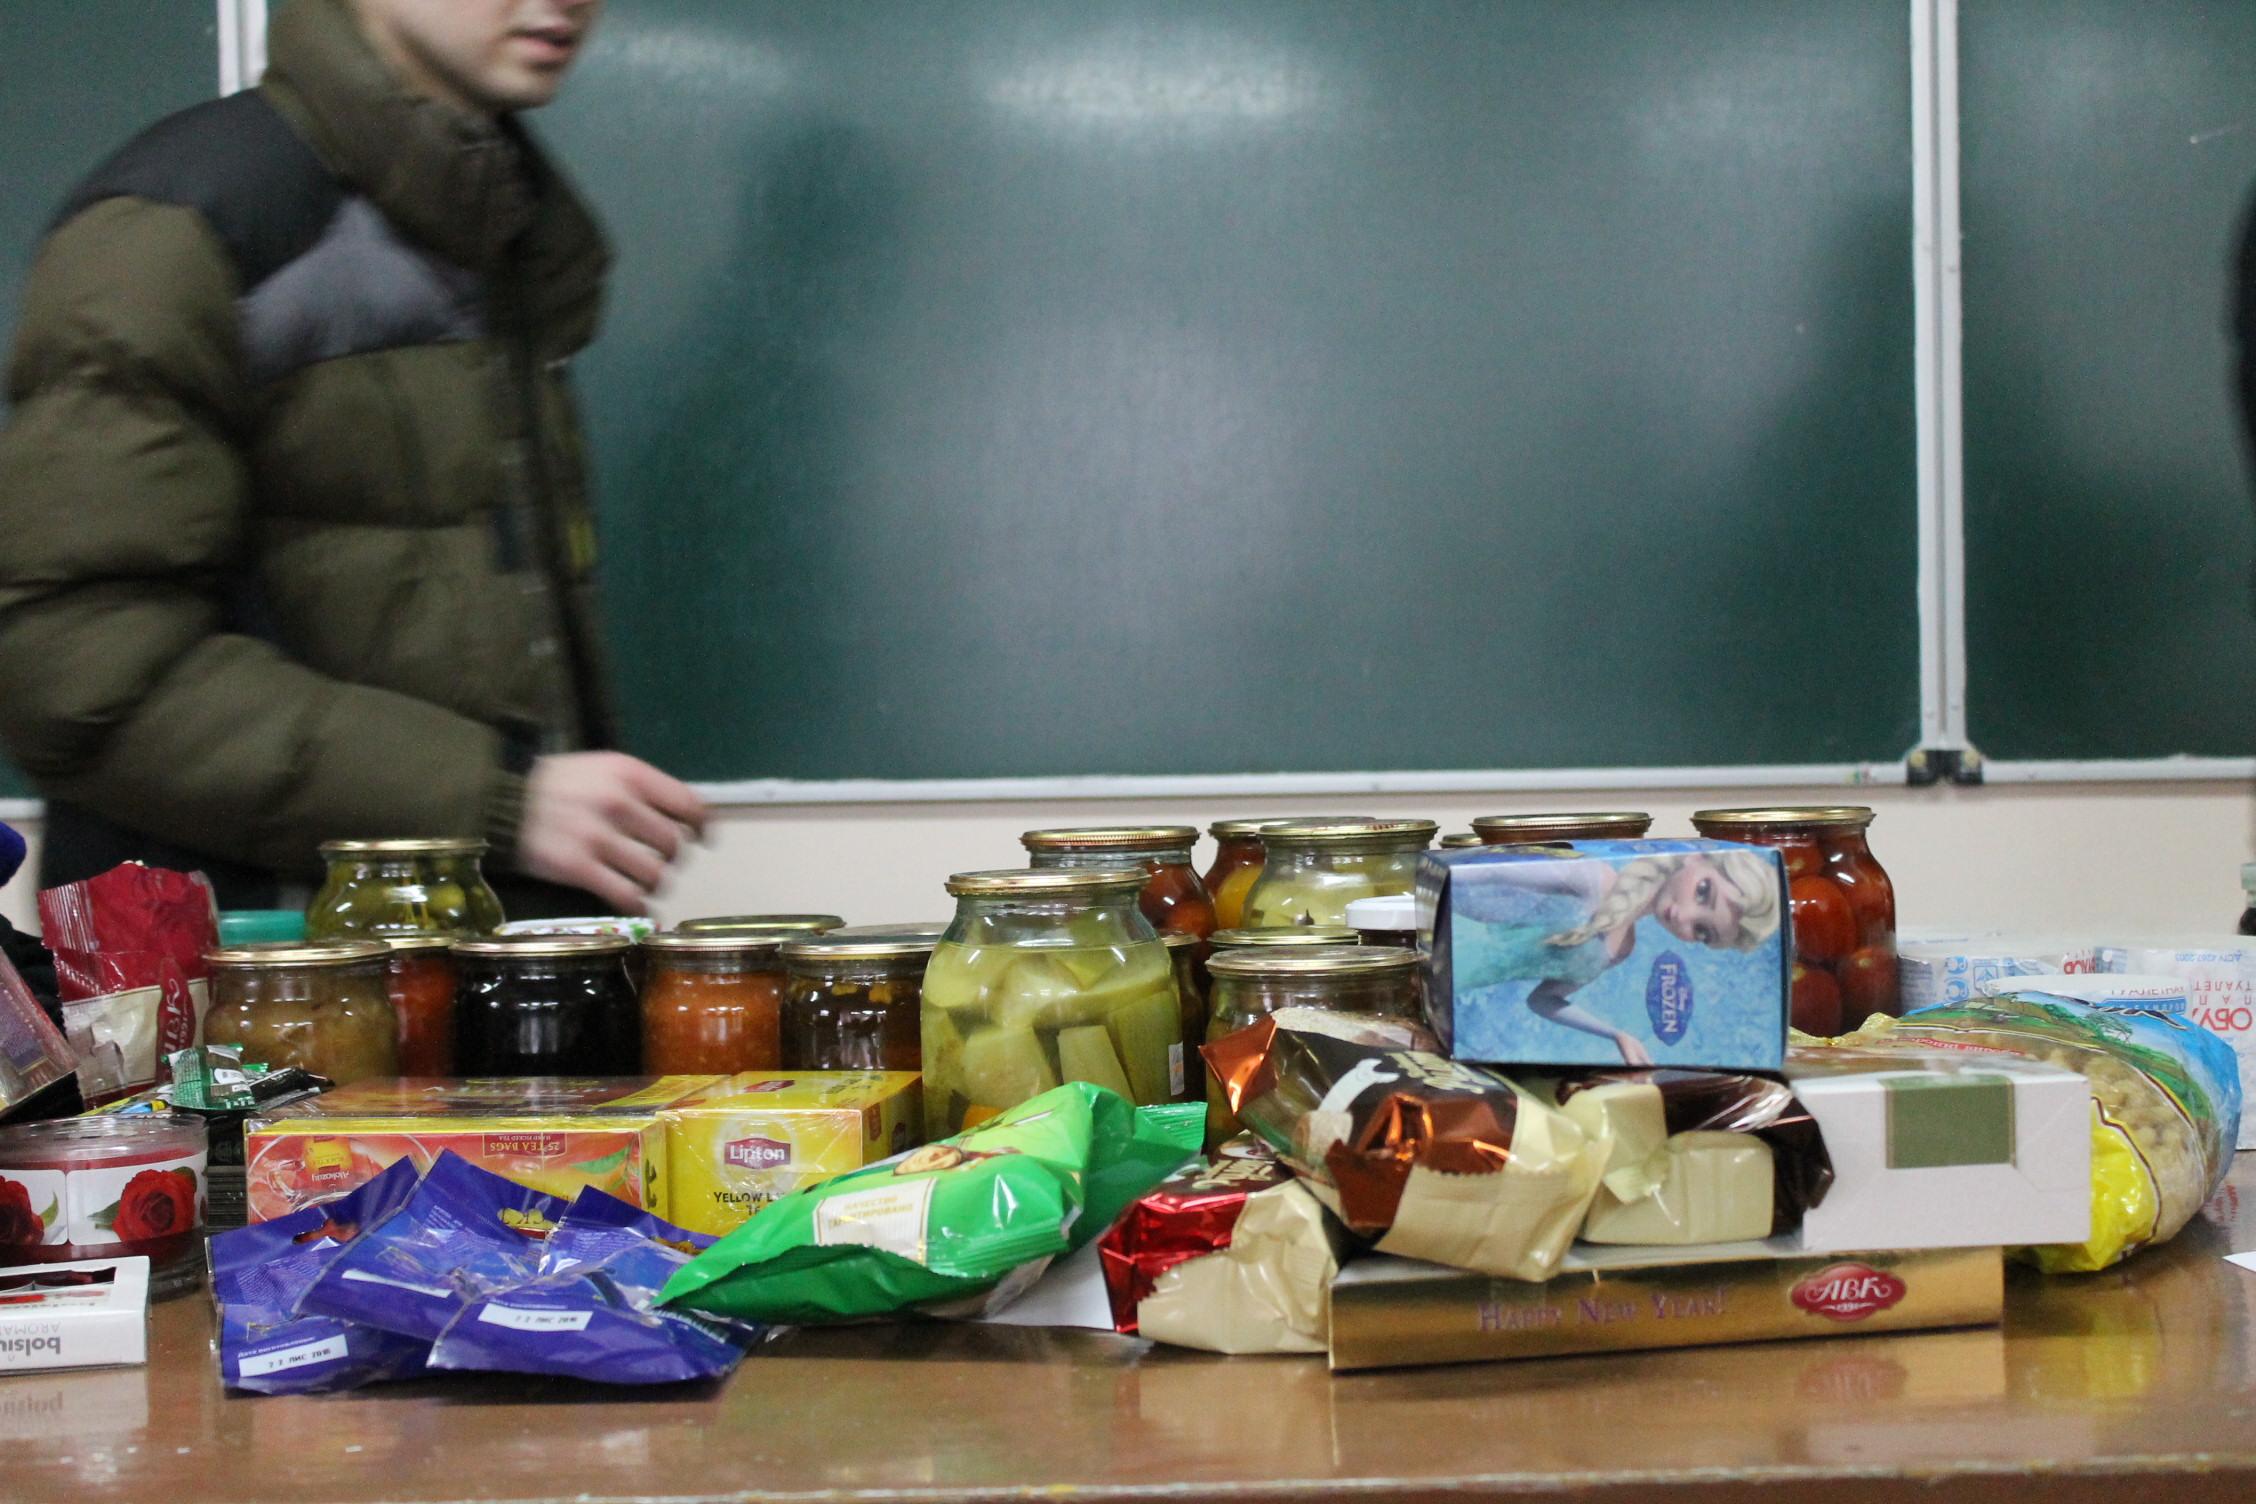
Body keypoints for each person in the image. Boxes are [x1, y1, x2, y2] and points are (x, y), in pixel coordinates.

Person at [0, 0, 703, 918]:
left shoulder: (493, 220)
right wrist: (496, 802)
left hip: (453, 942)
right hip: (252, 967)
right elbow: (77, 678)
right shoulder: (180, 226)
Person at [1450, 849, 1781, 1064]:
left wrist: (1616, 1034)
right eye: (1703, 891)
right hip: (1452, 936)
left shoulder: (1621, 949)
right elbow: (1486, 874)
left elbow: (1542, 1001)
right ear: (1696, 858)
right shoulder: (1591, 877)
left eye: (1702, 931)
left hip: (1458, 982)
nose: (1684, 916)